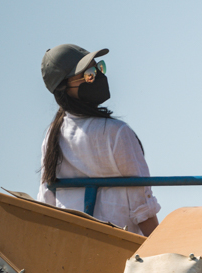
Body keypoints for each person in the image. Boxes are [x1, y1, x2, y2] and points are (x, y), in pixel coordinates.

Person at [38, 44, 160, 236]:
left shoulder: (52, 135)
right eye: (89, 74)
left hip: (71, 244)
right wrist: (164, 252)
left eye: (99, 68)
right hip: (119, 247)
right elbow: (142, 207)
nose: (98, 77)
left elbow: (47, 202)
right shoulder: (116, 133)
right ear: (64, 88)